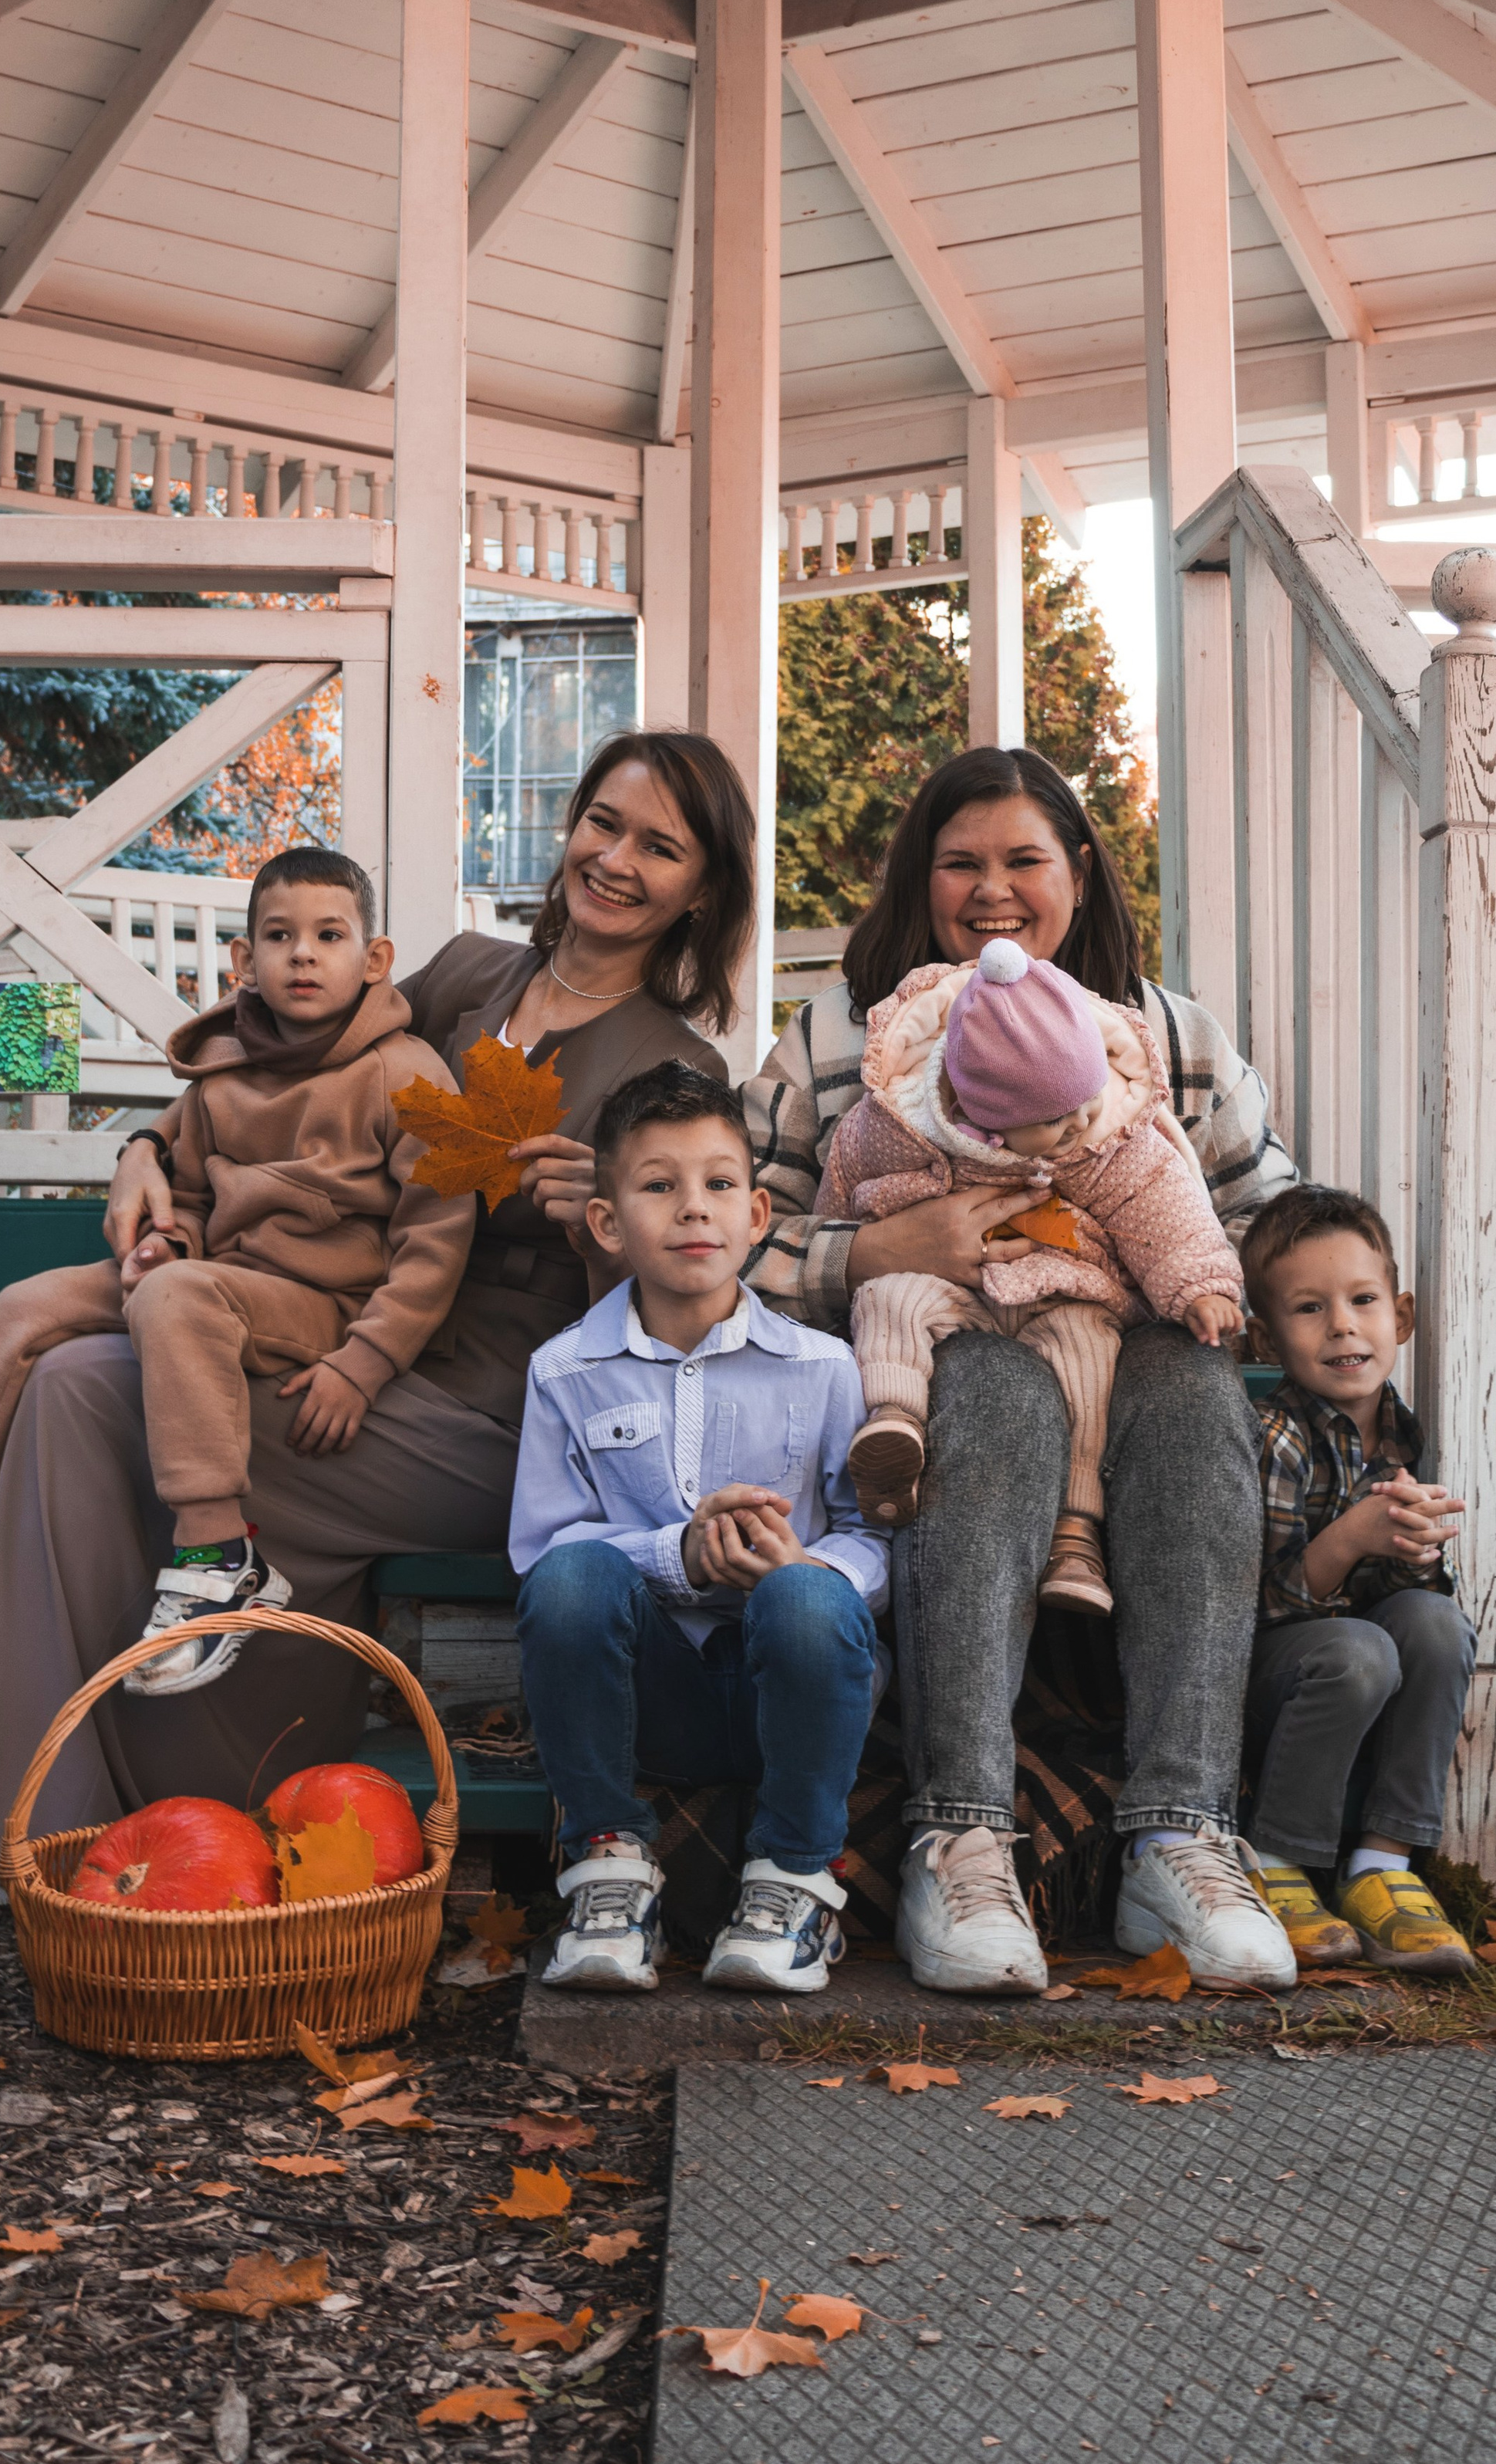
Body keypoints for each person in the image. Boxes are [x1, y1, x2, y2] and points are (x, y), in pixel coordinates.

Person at [0, 730, 755, 1918]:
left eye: (660, 847)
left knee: (85, 1389)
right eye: (604, 823)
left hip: (488, 1409)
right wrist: (145, 1150)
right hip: (327, 1317)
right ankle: (31, 1816)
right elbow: (274, 1067)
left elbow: (677, 1315)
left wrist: (603, 1231)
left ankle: (21, 1816)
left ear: (702, 889)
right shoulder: (463, 974)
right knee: (71, 1372)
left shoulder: (676, 1064)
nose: (617, 860)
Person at [743, 745, 1301, 1996]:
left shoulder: (1167, 1034)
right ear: (920, 879)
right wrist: (874, 1249)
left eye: (1023, 860)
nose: (992, 889)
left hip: (1127, 1351)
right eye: (961, 864)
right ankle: (962, 1836)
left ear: (1079, 872)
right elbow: (734, 1231)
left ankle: (1180, 1834)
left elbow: (1270, 1216)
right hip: (930, 1350)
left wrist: (1187, 1266)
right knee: (993, 1391)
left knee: (1196, 1390)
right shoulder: (844, 1036)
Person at [0, 849, 474, 1695]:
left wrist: (367, 1361)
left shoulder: (409, 1073)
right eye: (280, 936)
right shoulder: (222, 1075)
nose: (303, 955)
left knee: (177, 1295)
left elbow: (439, 1232)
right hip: (215, 1284)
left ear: (374, 958)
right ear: (245, 960)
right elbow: (194, 1195)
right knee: (27, 1304)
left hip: (331, 1303)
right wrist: (170, 1242)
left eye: (329, 936)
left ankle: (219, 1557)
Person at [513, 1063, 884, 1996]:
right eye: (658, 1185)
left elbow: (873, 1535)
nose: (692, 1208)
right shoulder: (564, 1371)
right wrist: (675, 1554)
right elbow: (542, 1552)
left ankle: (793, 1880)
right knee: (572, 1578)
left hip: (792, 1683)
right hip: (653, 1694)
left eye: (718, 1184)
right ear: (608, 1224)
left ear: (756, 1215)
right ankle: (608, 1867)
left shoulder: (822, 1367)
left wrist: (802, 1566)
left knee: (810, 1597)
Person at [821, 933, 1242, 1613]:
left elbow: (1164, 1208)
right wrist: (848, 1253)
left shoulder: (1106, 1134)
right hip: (951, 1288)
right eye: (1053, 1119)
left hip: (1060, 1287)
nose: (1080, 1121)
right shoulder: (901, 1125)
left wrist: (1201, 1287)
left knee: (1089, 1353)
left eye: (1087, 1098)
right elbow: (843, 1185)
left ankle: (1076, 1531)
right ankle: (893, 1424)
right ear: (980, 1112)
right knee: (888, 1300)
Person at [1238, 1184, 1478, 1979]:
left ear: (1400, 1318)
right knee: (1358, 1649)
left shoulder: (1401, 1431)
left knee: (1437, 1625)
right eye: (1310, 1308)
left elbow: (1408, 1603)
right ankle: (1277, 1862)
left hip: (1360, 1666)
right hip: (1277, 1683)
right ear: (1265, 1337)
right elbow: (1263, 1604)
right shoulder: (1275, 1436)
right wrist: (1350, 1537)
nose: (1342, 1325)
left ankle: (1383, 1865)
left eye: (1363, 1300)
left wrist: (1414, 1549)